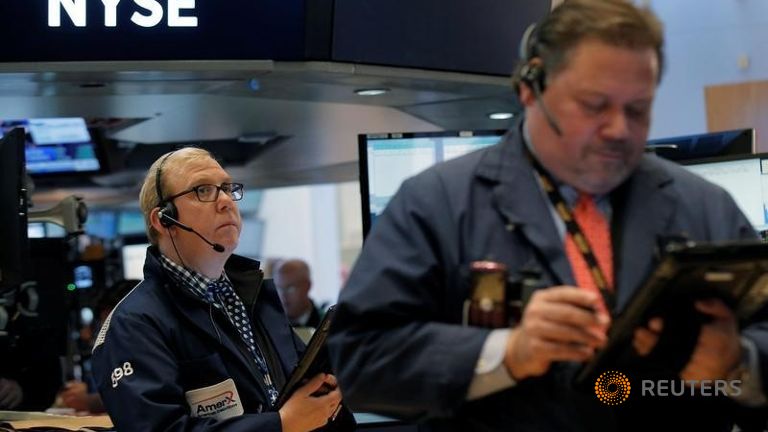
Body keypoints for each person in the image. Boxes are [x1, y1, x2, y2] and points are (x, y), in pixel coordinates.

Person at [327, 1, 767, 431]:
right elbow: (361, 360)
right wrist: (505, 352)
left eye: (637, 109)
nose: (618, 129)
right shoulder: (437, 203)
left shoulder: (705, 205)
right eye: (594, 105)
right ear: (530, 88)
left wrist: (737, 362)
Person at [91, 148, 343, 432]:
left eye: (226, 188)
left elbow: (303, 395)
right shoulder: (134, 324)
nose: (225, 201)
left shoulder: (253, 298)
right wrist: (279, 425)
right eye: (203, 191)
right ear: (164, 220)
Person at [274, 259, 323, 328]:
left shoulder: (328, 325)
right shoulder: (268, 325)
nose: (283, 295)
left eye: (290, 288)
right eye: (279, 288)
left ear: (307, 286)